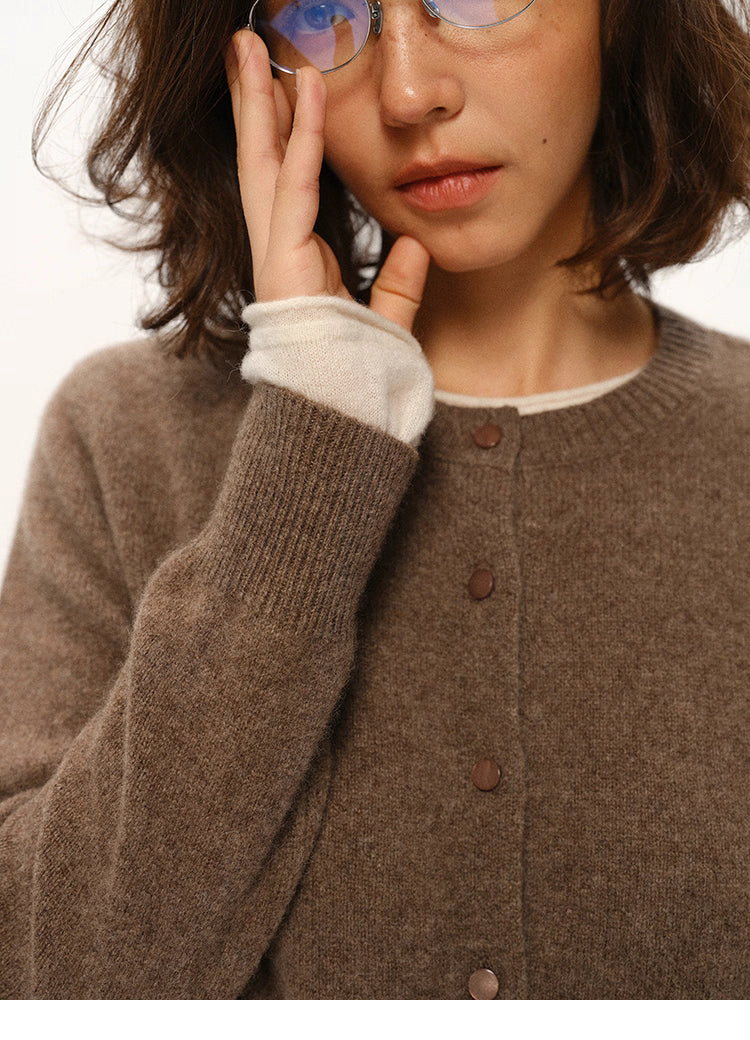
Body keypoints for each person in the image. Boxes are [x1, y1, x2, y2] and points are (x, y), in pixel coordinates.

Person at [0, 0, 748, 1000]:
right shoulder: (123, 435)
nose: (406, 92)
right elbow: (48, 985)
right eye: (320, 13)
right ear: (256, 70)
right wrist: (313, 430)